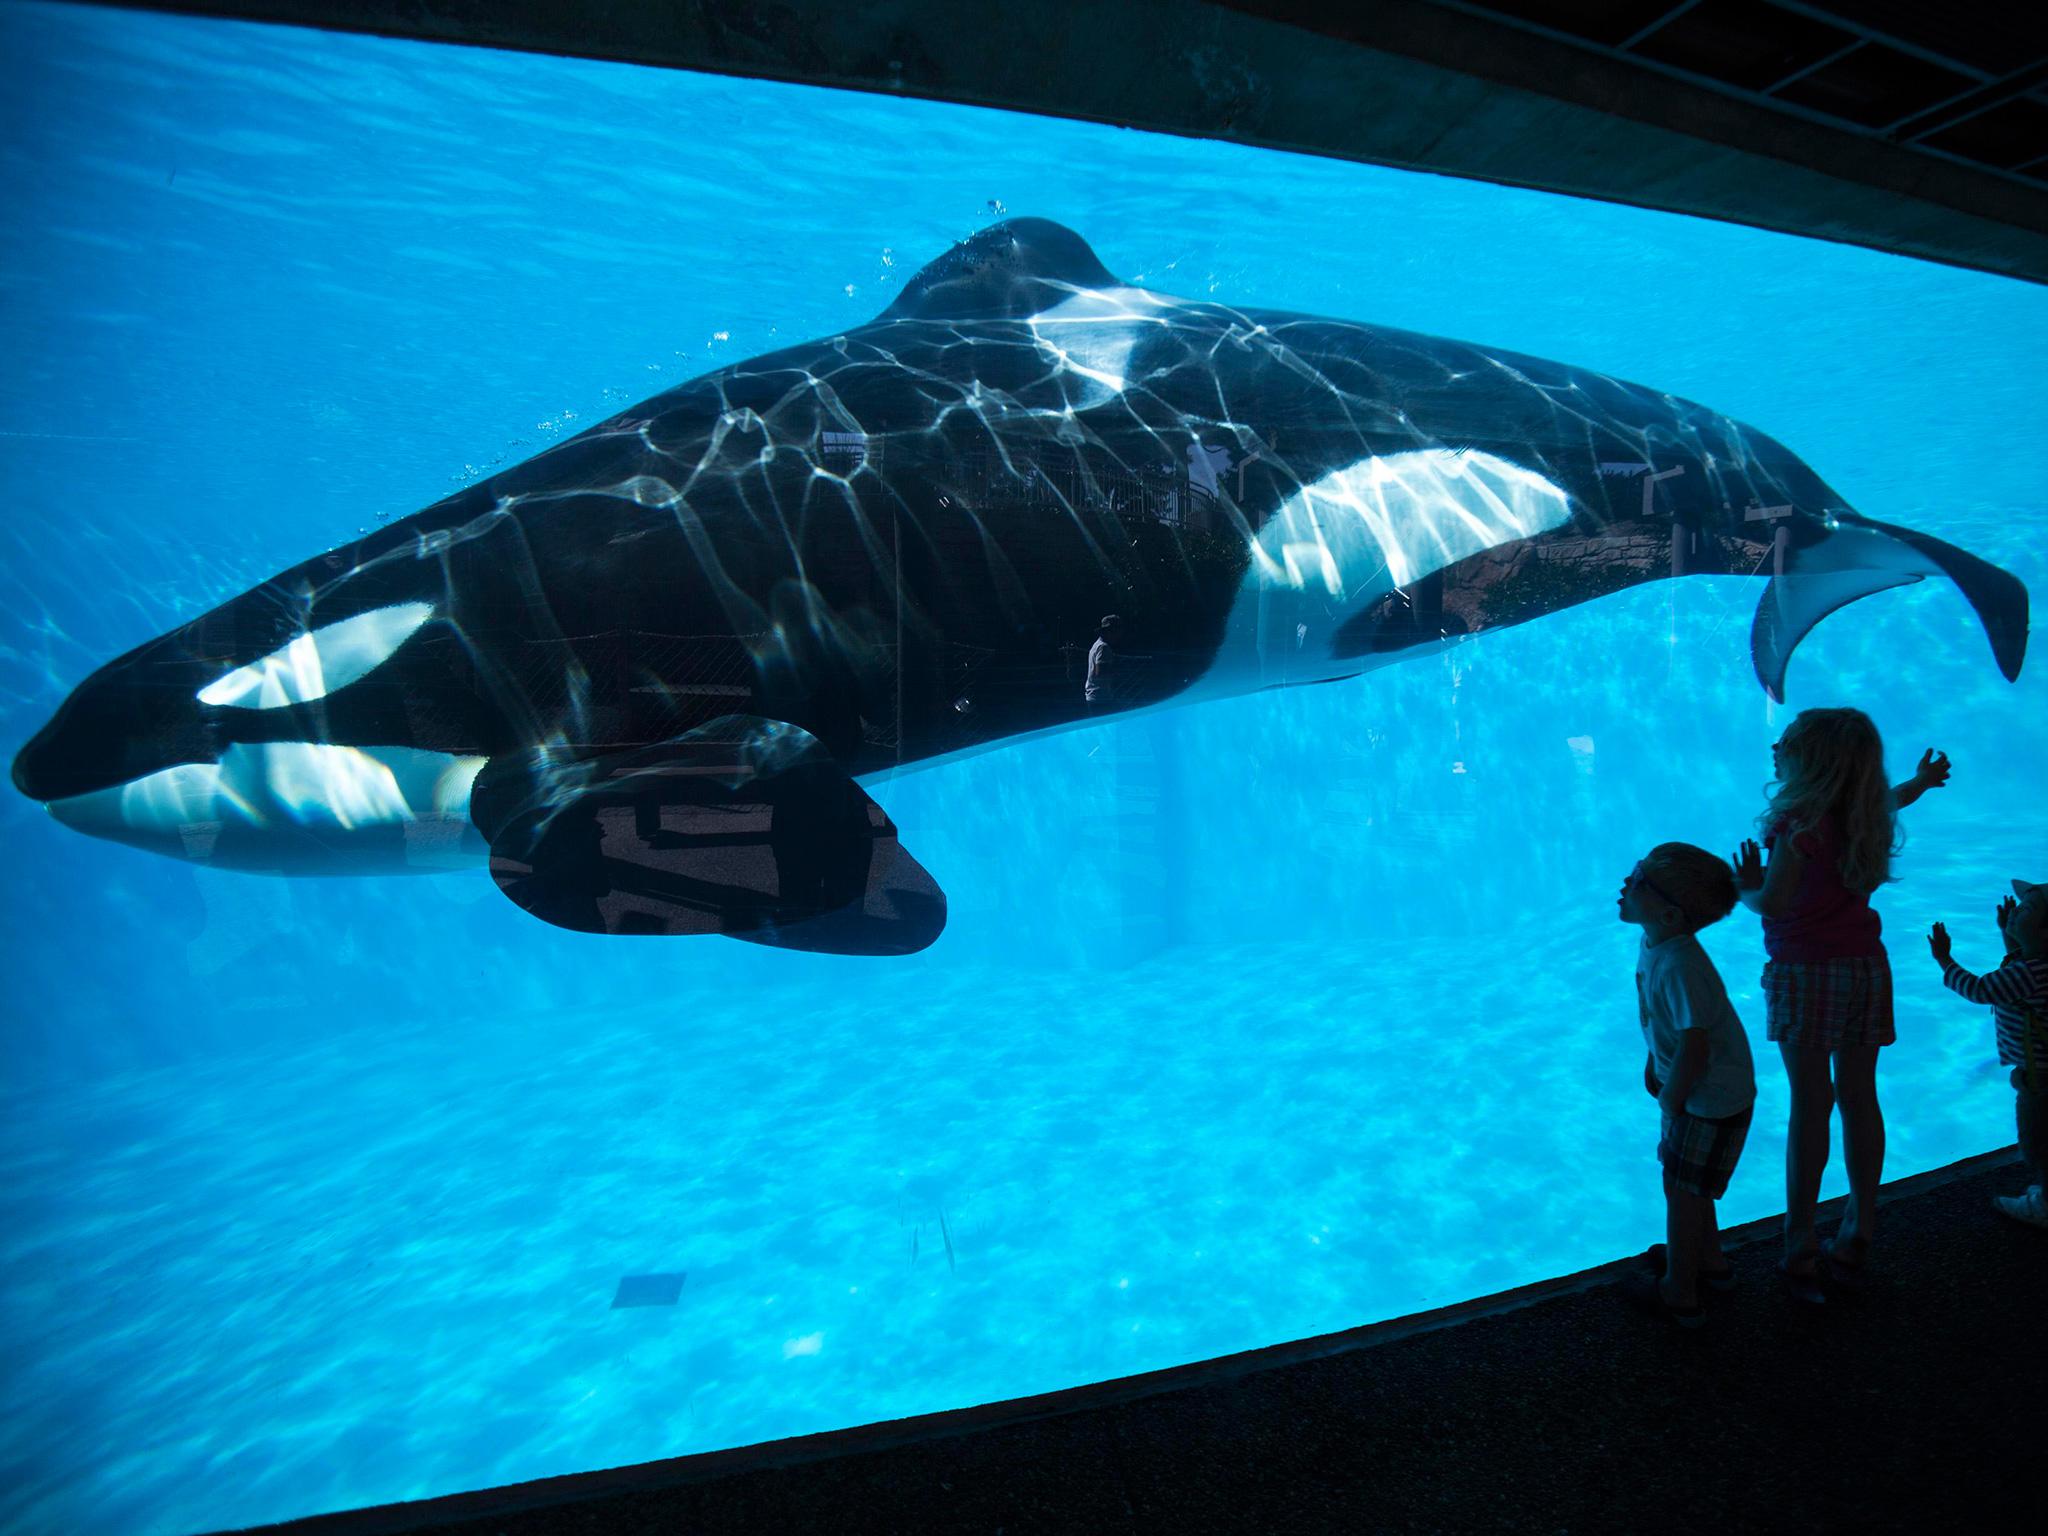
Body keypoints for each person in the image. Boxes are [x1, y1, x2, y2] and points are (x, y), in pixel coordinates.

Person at [1731, 709, 1950, 1302]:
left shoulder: (1797, 824)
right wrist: (1923, 782)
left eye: (1789, 742)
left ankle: (1799, 1245)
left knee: (1811, 1104)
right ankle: (1859, 1226)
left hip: (1805, 974)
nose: (1776, 746)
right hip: (1864, 969)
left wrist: (1746, 885)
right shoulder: (1860, 812)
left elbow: (1773, 905)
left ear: (1812, 759)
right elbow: (1894, 797)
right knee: (1859, 1097)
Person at [1617, 842, 1755, 1327]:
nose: (1625, 882)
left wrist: (1672, 1096)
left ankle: (1679, 1293)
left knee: (1681, 1191)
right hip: (1697, 1093)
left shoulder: (1679, 965)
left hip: (1707, 1102)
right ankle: (1711, 1263)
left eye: (1638, 881)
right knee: (1689, 1186)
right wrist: (1658, 1067)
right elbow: (1669, 1028)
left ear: (1670, 915)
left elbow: (1696, 1044)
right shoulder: (1655, 941)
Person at [1927, 880, 2048, 1227]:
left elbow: (1981, 989)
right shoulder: (2035, 963)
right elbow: (2018, 961)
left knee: (2039, 1144)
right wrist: (2009, 933)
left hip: (2039, 1080)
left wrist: (1945, 960)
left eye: (2027, 910)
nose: (2017, 910)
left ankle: (2044, 1205)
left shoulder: (2032, 972)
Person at [1084, 613, 1121, 711]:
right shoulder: (1103, 647)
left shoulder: (1096, 645)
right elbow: (1100, 672)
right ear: (1109, 631)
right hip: (1100, 697)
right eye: (1116, 631)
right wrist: (1117, 673)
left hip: (1093, 695)